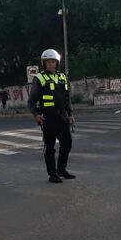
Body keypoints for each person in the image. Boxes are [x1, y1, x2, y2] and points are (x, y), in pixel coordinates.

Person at [27, 49, 76, 183]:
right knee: (49, 146)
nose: (51, 64)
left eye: (53, 61)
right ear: (44, 63)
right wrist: (36, 115)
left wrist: (70, 114)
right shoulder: (40, 78)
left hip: (62, 116)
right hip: (48, 117)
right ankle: (52, 173)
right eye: (48, 62)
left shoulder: (62, 77)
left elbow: (67, 99)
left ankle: (62, 169)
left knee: (67, 143)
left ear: (57, 63)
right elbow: (31, 101)